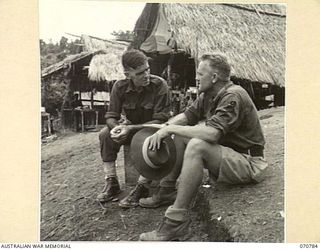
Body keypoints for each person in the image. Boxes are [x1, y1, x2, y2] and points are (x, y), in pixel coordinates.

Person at [139, 54, 268, 241]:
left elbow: (213, 134)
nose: (196, 77)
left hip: (249, 162)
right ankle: (166, 189)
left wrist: (171, 128)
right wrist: (163, 129)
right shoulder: (208, 94)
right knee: (181, 134)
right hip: (230, 157)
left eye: (200, 73)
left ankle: (175, 223)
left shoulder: (233, 96)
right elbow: (186, 117)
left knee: (197, 145)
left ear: (214, 77)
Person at [97, 49, 176, 208]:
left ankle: (143, 187)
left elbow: (161, 120)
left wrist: (130, 128)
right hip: (132, 131)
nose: (146, 75)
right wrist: (115, 129)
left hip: (153, 130)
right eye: (140, 73)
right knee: (105, 134)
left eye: (147, 69)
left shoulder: (159, 85)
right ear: (127, 74)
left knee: (154, 135)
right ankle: (111, 181)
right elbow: (111, 116)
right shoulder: (119, 87)